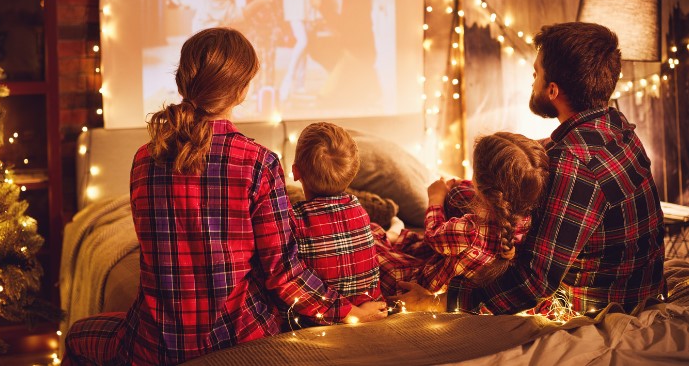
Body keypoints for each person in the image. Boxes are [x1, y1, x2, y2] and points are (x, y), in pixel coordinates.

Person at [63, 28, 386, 366]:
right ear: (241, 90)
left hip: (153, 346)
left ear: (183, 82)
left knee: (78, 335)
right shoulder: (259, 163)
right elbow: (284, 273)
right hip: (241, 343)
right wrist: (349, 312)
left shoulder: (145, 158)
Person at [398, 22, 666, 316]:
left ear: (552, 90)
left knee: (471, 215)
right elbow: (551, 147)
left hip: (600, 303)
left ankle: (430, 259)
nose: (532, 81)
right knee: (462, 195)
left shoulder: (573, 165)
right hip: (641, 284)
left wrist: (438, 301)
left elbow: (533, 282)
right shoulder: (615, 125)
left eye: (536, 74)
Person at [373, 133, 548, 297]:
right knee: (413, 244)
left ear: (480, 184)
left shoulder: (468, 231)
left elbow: (433, 235)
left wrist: (435, 198)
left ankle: (389, 236)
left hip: (429, 288)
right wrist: (462, 183)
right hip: (454, 265)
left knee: (373, 240)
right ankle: (393, 237)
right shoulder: (527, 221)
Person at [289, 122, 384, 307]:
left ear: (295, 171)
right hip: (371, 305)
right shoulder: (359, 210)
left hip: (319, 314)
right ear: (353, 171)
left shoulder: (295, 220)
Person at [315, 0, 381, 106]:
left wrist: (321, 6)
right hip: (355, 48)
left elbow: (345, 23)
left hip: (357, 51)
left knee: (326, 96)